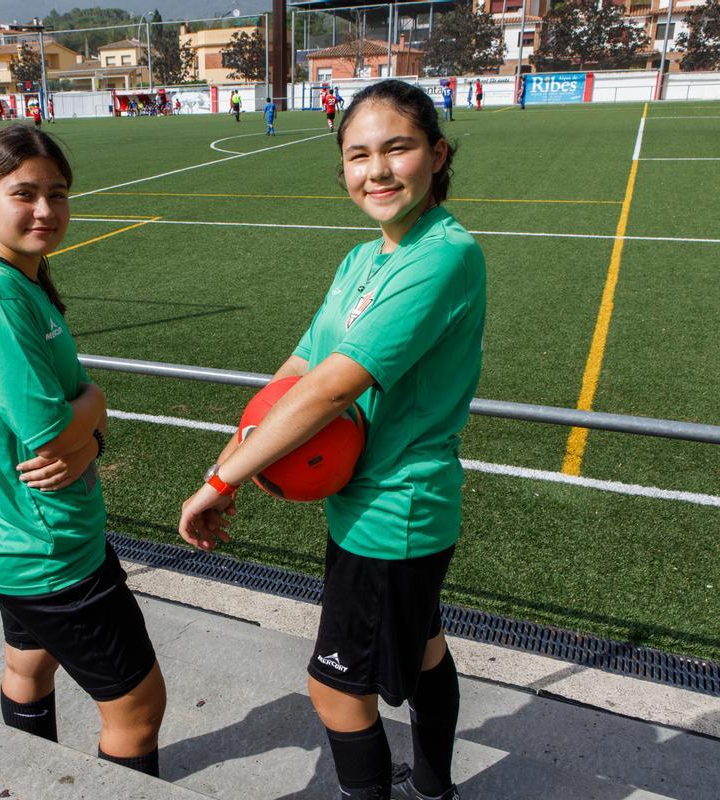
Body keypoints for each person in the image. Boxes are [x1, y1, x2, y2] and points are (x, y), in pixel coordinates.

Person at [178, 79, 485, 800]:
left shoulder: (441, 256)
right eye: (357, 155)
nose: (376, 170)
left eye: (397, 148)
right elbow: (298, 370)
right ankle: (437, 790)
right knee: (426, 648)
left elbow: (331, 391)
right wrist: (247, 443)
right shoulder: (362, 260)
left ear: (437, 155)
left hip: (393, 514)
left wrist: (219, 481)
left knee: (336, 691)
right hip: (371, 510)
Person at [0, 125, 167, 779]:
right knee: (136, 707)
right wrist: (98, 404)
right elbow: (50, 430)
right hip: (52, 553)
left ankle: (33, 777)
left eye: (58, 193)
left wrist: (92, 438)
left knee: (28, 661)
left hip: (8, 538)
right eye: (25, 193)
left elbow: (63, 433)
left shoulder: (21, 280)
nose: (46, 210)